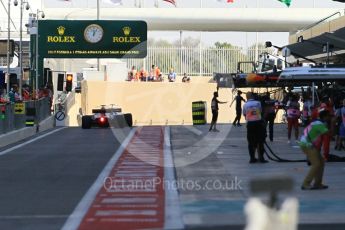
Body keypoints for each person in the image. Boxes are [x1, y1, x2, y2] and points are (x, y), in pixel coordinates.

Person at [299, 109, 330, 190]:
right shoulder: (320, 125)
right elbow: (329, 134)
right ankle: (306, 183)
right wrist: (333, 123)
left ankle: (317, 183)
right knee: (316, 164)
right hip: (307, 145)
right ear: (325, 117)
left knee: (321, 162)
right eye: (329, 116)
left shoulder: (316, 122)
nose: (330, 118)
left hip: (308, 144)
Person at [243, 92, 268, 163]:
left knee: (251, 142)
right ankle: (261, 158)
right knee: (260, 141)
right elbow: (260, 112)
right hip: (258, 123)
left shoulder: (245, 104)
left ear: (247, 97)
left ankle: (252, 158)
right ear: (253, 97)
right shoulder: (258, 103)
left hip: (250, 124)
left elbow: (244, 114)